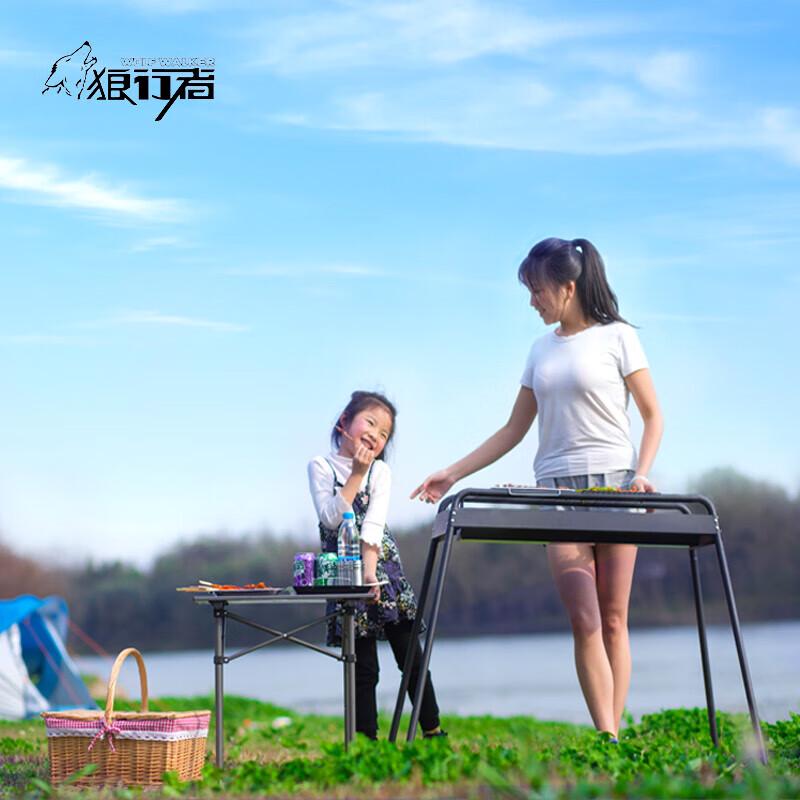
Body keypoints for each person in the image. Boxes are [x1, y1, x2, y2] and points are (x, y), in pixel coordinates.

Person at [411, 238, 663, 739]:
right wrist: (453, 473)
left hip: (617, 487)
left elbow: (653, 415)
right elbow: (513, 430)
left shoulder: (618, 338)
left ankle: (612, 739)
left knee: (614, 619)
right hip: (555, 493)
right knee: (585, 619)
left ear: (568, 287)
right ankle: (608, 737)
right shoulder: (540, 351)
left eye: (537, 290)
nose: (532, 301)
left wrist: (642, 472)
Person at [308, 390, 446, 740]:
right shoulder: (321, 466)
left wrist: (370, 574)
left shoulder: (381, 471)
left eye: (384, 433)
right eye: (370, 422)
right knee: (363, 667)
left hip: (382, 571)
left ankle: (433, 732)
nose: (375, 435)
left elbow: (373, 524)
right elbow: (329, 519)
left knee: (410, 657)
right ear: (344, 421)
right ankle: (366, 743)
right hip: (343, 575)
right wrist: (356, 474)